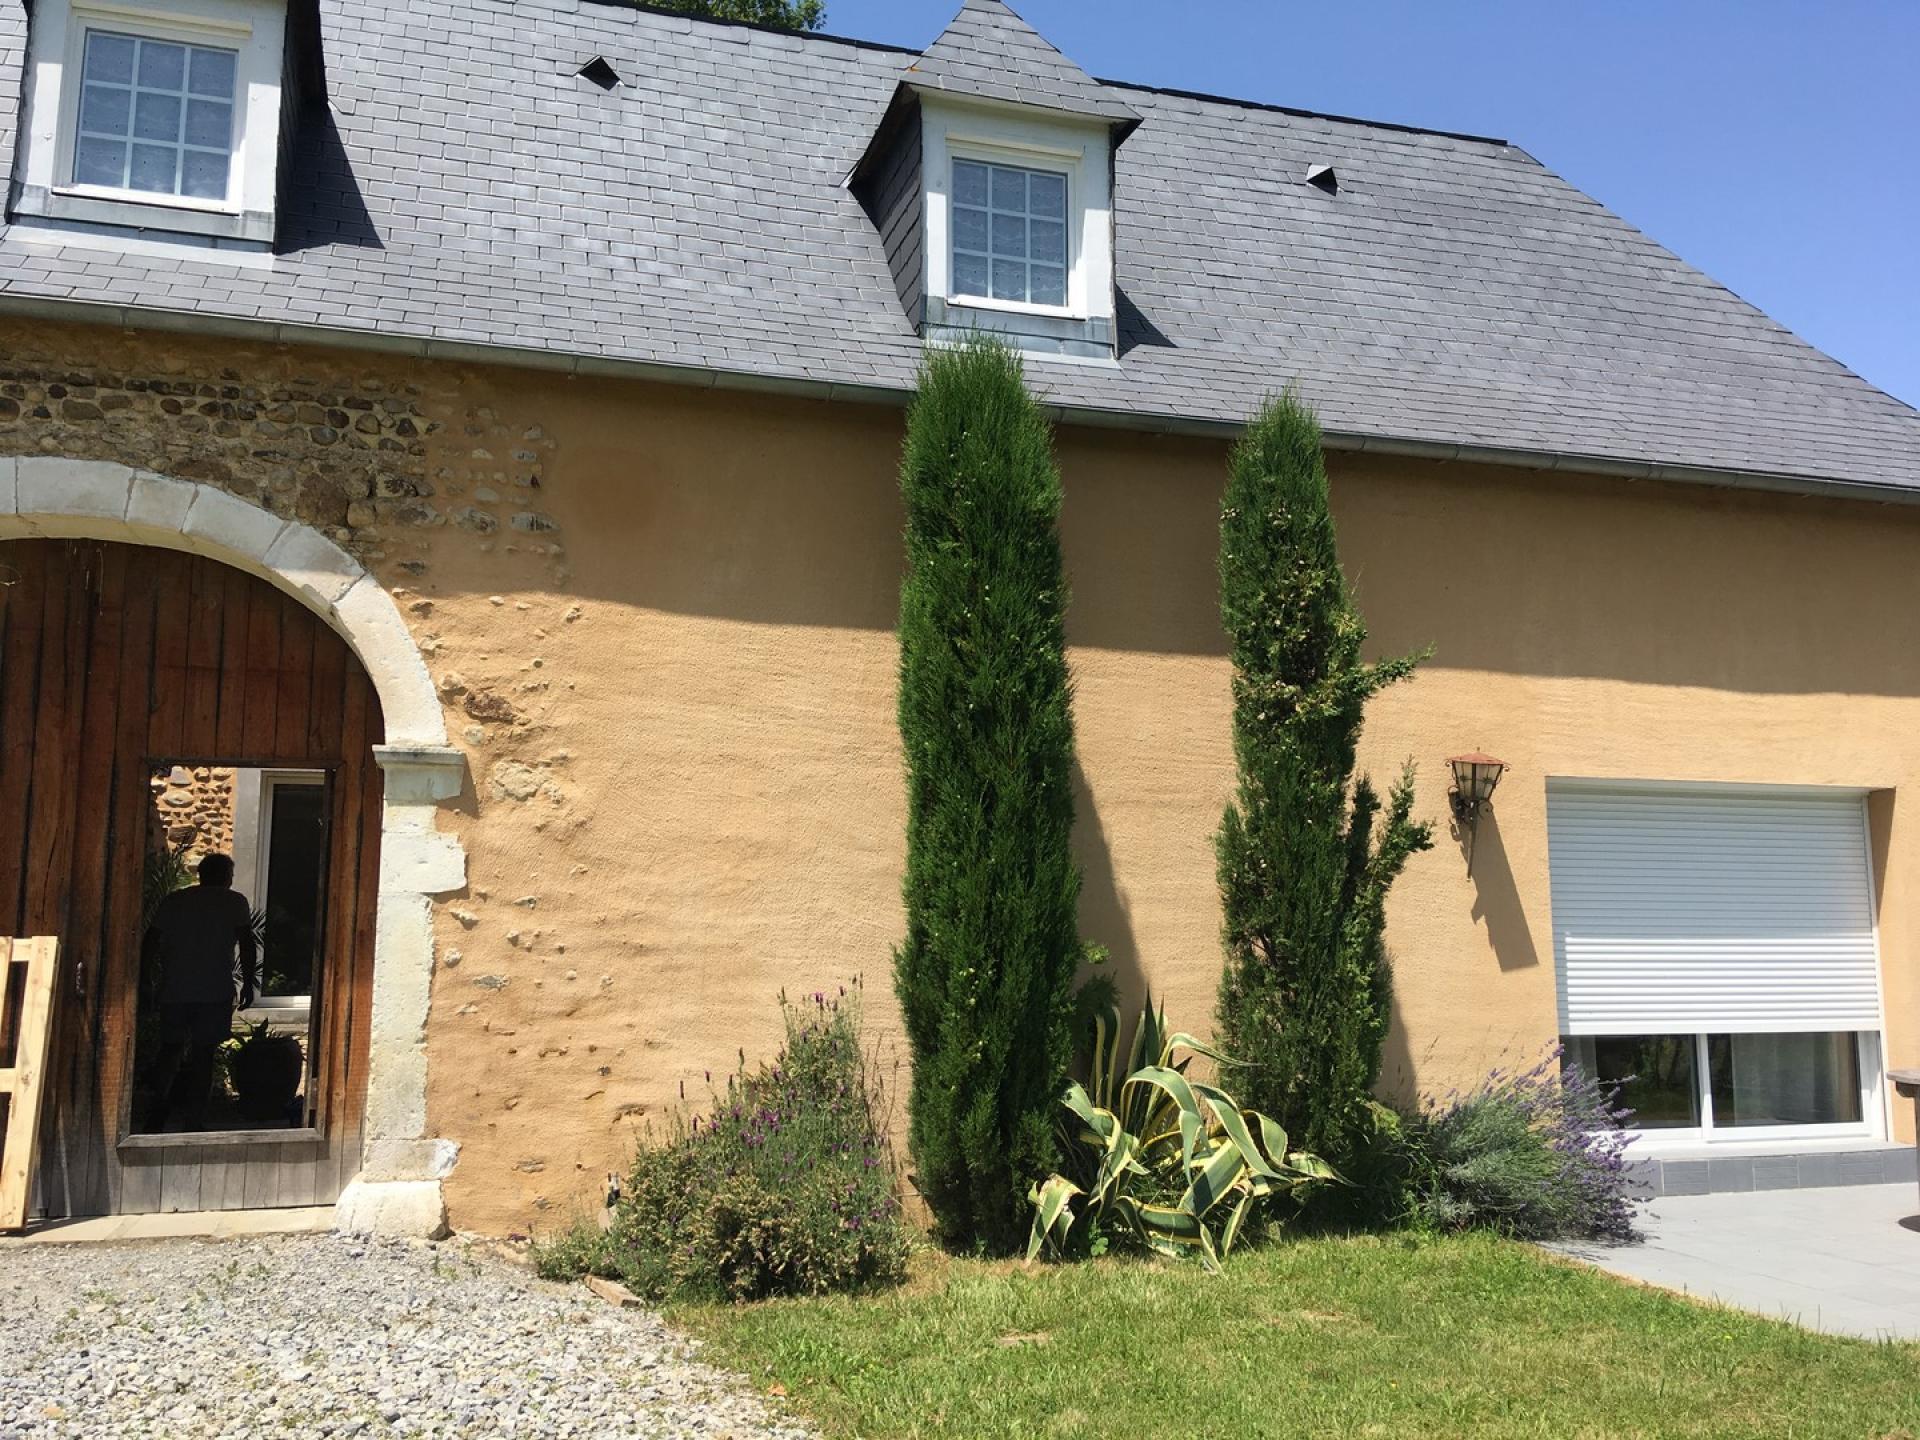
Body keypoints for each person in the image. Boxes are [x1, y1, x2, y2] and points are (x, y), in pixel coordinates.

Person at [142, 853, 258, 1131]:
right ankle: (194, 1117)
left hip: (175, 988)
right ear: (226, 876)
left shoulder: (175, 901)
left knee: (170, 1050)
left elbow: (150, 942)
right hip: (214, 989)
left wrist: (145, 979)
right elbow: (247, 943)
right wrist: (250, 982)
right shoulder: (234, 903)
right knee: (203, 1054)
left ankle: (157, 1109)